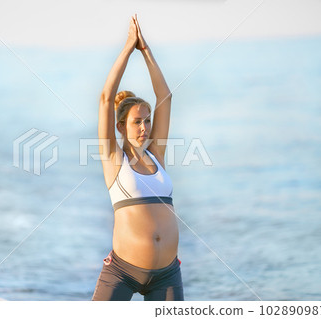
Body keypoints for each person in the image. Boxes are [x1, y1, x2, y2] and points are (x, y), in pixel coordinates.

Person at [92, 14, 184, 301]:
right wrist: (128, 47)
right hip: (122, 272)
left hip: (167, 275)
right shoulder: (112, 158)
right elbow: (106, 98)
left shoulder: (156, 155)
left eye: (147, 120)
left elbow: (165, 97)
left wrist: (146, 52)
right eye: (137, 122)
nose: (145, 127)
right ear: (120, 126)